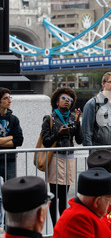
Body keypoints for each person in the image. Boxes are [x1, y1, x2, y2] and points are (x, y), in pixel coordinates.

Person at [41, 86, 82, 225]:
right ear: (57, 101)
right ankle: (55, 225)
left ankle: (63, 225)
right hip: (55, 158)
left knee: (65, 195)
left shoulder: (72, 117)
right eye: (63, 98)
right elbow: (46, 141)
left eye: (70, 100)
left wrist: (78, 123)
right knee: (54, 195)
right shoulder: (49, 118)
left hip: (69, 158)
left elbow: (80, 140)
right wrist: (58, 134)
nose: (67, 101)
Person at [0, 87, 23, 232]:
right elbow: (14, 139)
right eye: (6, 98)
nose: (9, 101)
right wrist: (10, 138)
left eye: (10, 97)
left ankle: (8, 225)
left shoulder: (13, 119)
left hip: (10, 160)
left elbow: (19, 140)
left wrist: (2, 140)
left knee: (10, 194)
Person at [82, 71, 111, 148]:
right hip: (98, 150)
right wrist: (91, 151)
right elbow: (86, 131)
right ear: (103, 84)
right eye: (110, 82)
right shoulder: (92, 104)